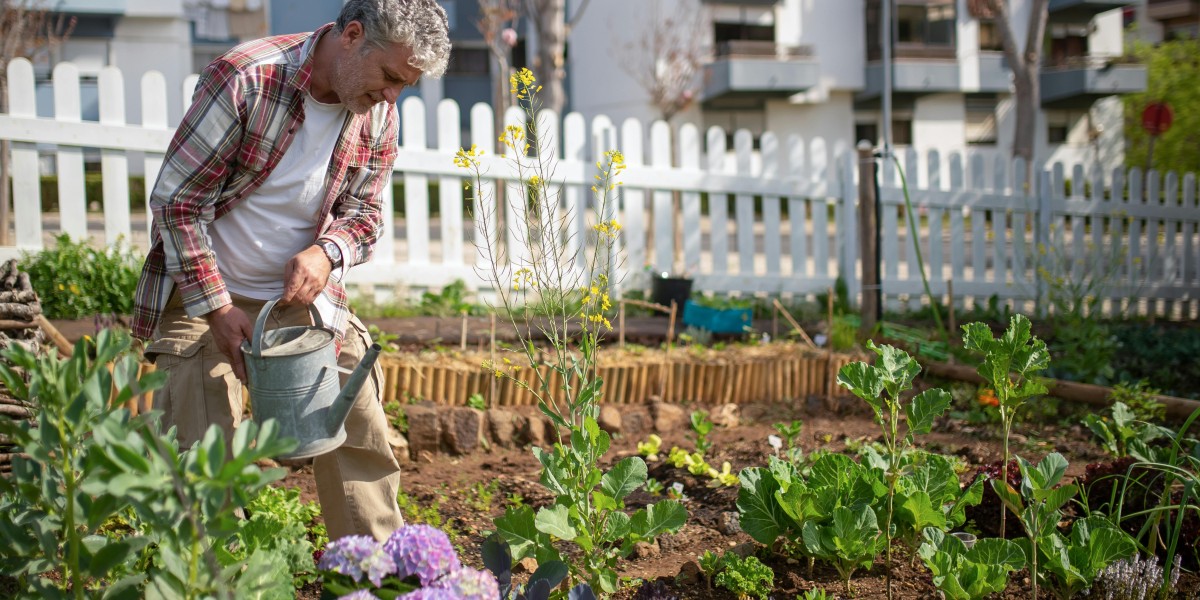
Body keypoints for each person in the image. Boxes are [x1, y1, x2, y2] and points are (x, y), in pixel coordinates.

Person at [131, 0, 451, 541]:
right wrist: (217, 307)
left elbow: (366, 216)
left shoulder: (378, 112)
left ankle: (371, 579)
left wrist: (328, 252)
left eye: (406, 85)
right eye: (391, 77)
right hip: (206, 296)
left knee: (359, 431)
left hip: (302, 303)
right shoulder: (247, 79)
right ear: (352, 35)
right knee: (204, 456)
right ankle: (220, 580)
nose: (393, 96)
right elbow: (177, 203)